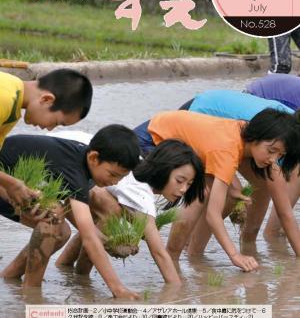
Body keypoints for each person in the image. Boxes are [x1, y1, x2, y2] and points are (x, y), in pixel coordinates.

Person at [133, 109, 300, 272]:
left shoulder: (242, 134)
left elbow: (285, 213)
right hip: (151, 138)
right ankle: (172, 257)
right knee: (193, 193)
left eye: (279, 155)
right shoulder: (227, 150)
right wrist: (235, 256)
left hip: (180, 139)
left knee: (227, 191)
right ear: (255, 137)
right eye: (271, 151)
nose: (273, 159)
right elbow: (213, 214)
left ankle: (190, 255)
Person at [0, 125, 144, 299]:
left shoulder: (81, 161)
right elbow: (88, 235)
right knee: (53, 221)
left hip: (16, 181)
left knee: (62, 231)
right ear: (94, 158)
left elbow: (79, 220)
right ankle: (31, 292)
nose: (115, 182)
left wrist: (107, 243)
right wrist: (118, 288)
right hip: (5, 180)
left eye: (120, 178)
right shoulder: (74, 169)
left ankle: (9, 278)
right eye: (113, 174)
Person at [55, 138, 205, 276]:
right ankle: (82, 278)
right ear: (163, 169)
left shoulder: (137, 165)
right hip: (61, 164)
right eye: (180, 180)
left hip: (68, 160)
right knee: (110, 210)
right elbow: (159, 253)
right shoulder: (140, 192)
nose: (184, 189)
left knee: (106, 214)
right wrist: (176, 289)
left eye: (189, 184)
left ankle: (64, 268)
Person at [0, 68, 93, 209]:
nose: (49, 129)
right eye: (56, 122)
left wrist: (19, 188)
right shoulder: (5, 97)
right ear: (47, 100)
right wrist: (11, 183)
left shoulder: (13, 104)